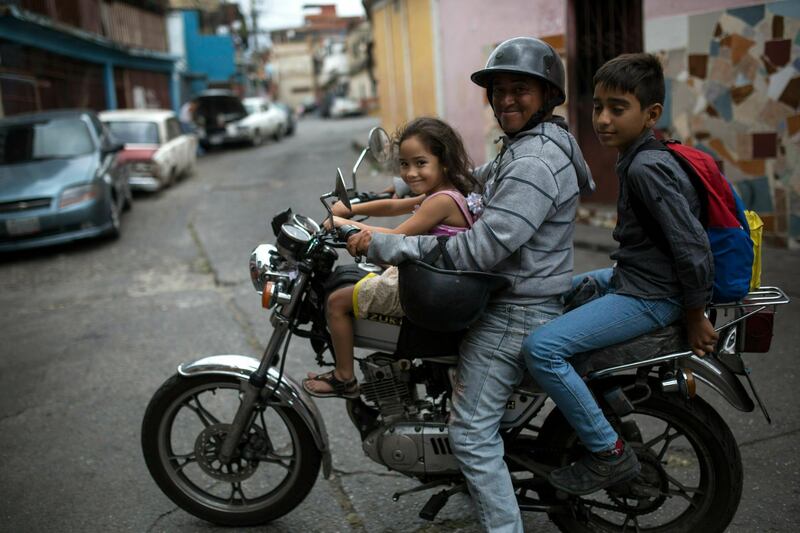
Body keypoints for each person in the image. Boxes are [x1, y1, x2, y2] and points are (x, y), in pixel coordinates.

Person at [347, 37, 594, 532]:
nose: (505, 100)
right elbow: (467, 180)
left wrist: (382, 244)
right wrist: (384, 195)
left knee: (472, 436)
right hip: (519, 299)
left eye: (519, 89)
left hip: (515, 311)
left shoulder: (533, 163)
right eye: (497, 90)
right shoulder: (526, 147)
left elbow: (477, 251)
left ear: (547, 95)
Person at [519, 53, 717, 496]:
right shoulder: (638, 155)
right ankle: (604, 407)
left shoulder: (647, 167)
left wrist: (695, 313)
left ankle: (609, 453)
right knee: (547, 293)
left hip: (653, 296)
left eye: (618, 108)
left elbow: (692, 246)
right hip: (633, 279)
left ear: (651, 115)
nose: (603, 119)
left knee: (542, 349)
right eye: (598, 106)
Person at [303, 117, 479, 398]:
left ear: (443, 161)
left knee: (336, 301)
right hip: (433, 275)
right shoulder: (445, 192)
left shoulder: (440, 201)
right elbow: (394, 204)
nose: (410, 173)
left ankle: (344, 378)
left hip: (431, 284)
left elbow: (394, 237)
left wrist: (342, 224)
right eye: (404, 164)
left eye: (420, 163)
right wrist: (351, 208)